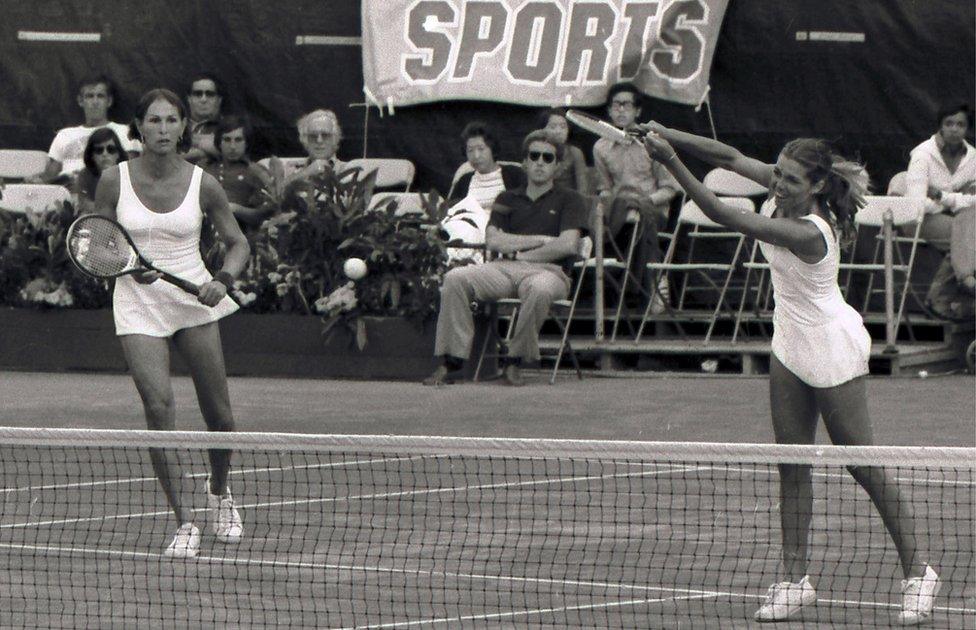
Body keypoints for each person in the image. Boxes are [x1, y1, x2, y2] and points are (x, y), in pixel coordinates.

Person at [642, 124, 940, 625]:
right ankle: (795, 579)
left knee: (862, 466)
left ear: (818, 186)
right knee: (791, 464)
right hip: (789, 342)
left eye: (792, 181)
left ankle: (919, 573)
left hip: (830, 347)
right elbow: (730, 154)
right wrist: (666, 130)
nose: (779, 185)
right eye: (778, 174)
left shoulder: (809, 231)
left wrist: (669, 158)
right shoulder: (784, 187)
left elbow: (720, 212)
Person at [94, 88, 251, 559]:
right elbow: (98, 242)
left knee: (219, 417)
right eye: (154, 121)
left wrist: (223, 279)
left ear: (184, 127)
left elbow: (238, 243)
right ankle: (184, 521)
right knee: (159, 410)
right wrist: (122, 263)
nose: (163, 130)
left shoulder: (204, 184)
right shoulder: (112, 181)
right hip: (138, 301)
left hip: (193, 300)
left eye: (171, 121)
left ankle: (220, 492)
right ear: (139, 127)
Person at [424, 129, 589, 387]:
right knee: (455, 278)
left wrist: (519, 250)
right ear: (524, 162)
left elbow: (568, 245)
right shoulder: (507, 197)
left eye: (548, 158)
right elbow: (493, 240)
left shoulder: (571, 199)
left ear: (557, 166)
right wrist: (541, 240)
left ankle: (515, 361)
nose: (540, 163)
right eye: (534, 156)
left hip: (550, 272)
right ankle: (452, 362)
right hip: (504, 267)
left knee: (539, 288)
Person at [593, 83, 677, 310]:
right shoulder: (600, 147)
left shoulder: (652, 144)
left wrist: (644, 203)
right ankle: (621, 292)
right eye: (615, 105)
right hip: (618, 212)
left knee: (637, 218)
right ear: (609, 111)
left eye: (626, 104)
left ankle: (651, 284)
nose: (620, 110)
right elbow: (606, 188)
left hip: (652, 210)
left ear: (637, 111)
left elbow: (669, 189)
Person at [905, 104, 975, 317]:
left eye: (960, 124)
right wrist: (957, 200)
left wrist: (942, 197)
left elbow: (974, 199)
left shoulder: (973, 157)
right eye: (949, 123)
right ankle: (958, 287)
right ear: (940, 127)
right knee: (968, 238)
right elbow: (916, 202)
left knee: (967, 231)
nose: (954, 129)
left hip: (958, 219)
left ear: (968, 129)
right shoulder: (923, 154)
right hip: (917, 219)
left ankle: (939, 298)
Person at [30, 75, 141, 183]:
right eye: (89, 96)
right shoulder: (64, 135)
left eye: (100, 96)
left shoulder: (125, 132)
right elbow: (49, 177)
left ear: (109, 101)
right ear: (80, 101)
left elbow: (131, 175)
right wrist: (35, 180)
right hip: (65, 193)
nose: (95, 102)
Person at [202, 114, 274, 231]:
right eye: (227, 140)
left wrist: (236, 209)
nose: (232, 146)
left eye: (238, 140)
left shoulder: (256, 172)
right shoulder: (205, 167)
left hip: (241, 234)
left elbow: (265, 214)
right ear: (219, 142)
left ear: (247, 143)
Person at [448, 121, 525, 208]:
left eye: (481, 149)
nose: (476, 156)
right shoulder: (464, 181)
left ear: (492, 148)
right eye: (470, 150)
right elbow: (451, 212)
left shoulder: (515, 174)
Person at [73, 127, 128, 214]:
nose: (105, 154)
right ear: (91, 155)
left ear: (118, 154)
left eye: (111, 149)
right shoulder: (85, 175)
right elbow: (85, 204)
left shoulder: (129, 174)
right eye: (99, 150)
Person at [539, 107, 591, 195]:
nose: (558, 131)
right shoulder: (536, 152)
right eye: (553, 127)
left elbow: (582, 187)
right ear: (542, 130)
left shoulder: (575, 152)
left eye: (563, 127)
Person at [183, 73, 224, 164]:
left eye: (209, 94)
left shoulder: (229, 127)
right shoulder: (176, 125)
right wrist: (207, 149)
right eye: (198, 94)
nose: (203, 99)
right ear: (189, 99)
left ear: (219, 100)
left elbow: (233, 153)